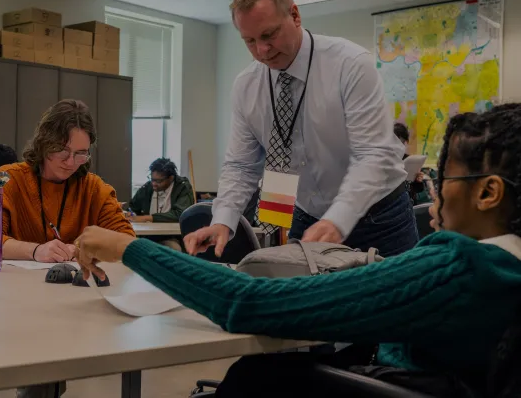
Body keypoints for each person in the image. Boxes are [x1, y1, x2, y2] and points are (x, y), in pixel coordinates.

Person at [76, 105, 521, 397]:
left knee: (257, 378)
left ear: (488, 193)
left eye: (446, 178)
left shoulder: (461, 266)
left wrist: (129, 249)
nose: (433, 192)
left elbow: (246, 302)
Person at [184, 0, 417, 259]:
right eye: (249, 41)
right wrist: (223, 219)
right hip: (308, 217)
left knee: (396, 300)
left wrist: (338, 219)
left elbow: (372, 154)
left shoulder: (350, 64)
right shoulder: (247, 86)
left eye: (269, 35)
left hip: (379, 215)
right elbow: (242, 165)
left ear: (295, 15)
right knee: (309, 302)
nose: (262, 51)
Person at [0, 100, 135, 398]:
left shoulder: (93, 188)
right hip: (11, 305)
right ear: (44, 143)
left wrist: (81, 249)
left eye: (81, 153)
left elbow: (126, 241)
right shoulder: (10, 179)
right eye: (63, 151)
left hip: (72, 309)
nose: (72, 162)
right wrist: (36, 251)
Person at [127, 158, 194, 251]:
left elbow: (180, 214)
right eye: (152, 179)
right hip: (147, 235)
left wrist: (147, 218)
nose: (154, 184)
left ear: (171, 178)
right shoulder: (148, 187)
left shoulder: (182, 187)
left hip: (172, 236)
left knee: (174, 249)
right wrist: (130, 214)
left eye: (159, 181)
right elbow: (133, 207)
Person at [393, 122, 426, 203]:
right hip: (393, 205)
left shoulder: (409, 160)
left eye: (403, 141)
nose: (400, 145)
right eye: (397, 141)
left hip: (409, 202)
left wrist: (418, 181)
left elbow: (418, 189)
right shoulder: (385, 161)